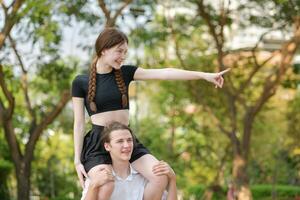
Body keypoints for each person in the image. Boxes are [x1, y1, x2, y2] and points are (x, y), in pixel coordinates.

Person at [72, 27, 230, 200]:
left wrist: (203, 75)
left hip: (126, 139)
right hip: (98, 144)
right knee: (106, 184)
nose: (123, 56)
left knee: (160, 175)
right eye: (119, 51)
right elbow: (79, 124)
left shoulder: (125, 73)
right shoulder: (81, 82)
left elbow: (165, 74)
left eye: (125, 52)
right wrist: (77, 160)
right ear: (103, 50)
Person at [80, 122, 177, 200]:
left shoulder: (144, 177)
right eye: (120, 141)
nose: (126, 145)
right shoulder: (100, 176)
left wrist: (172, 179)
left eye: (129, 140)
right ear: (107, 146)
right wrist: (93, 186)